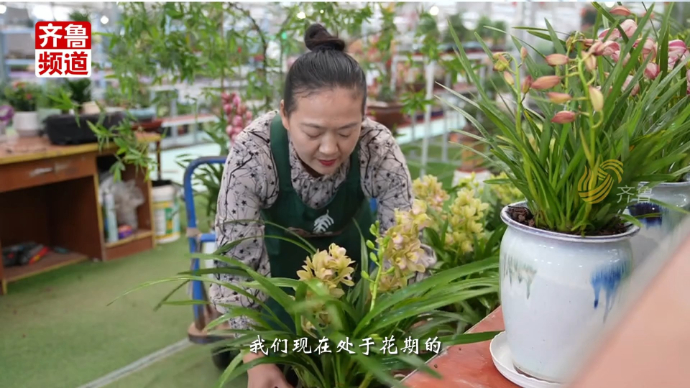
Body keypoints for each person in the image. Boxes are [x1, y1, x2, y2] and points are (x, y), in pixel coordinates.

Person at [211, 23, 433, 388]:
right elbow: (235, 266)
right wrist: (256, 358)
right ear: (285, 114)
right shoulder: (254, 153)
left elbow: (406, 242)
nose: (330, 149)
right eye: (313, 133)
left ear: (364, 116)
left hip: (353, 295)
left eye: (347, 132)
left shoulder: (377, 147)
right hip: (278, 297)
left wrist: (413, 327)